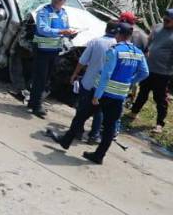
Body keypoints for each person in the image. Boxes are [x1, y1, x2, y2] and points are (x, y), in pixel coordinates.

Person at [51, 23, 148, 164]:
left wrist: (97, 95)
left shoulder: (115, 50)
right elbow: (145, 72)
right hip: (119, 96)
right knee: (110, 127)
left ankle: (66, 141)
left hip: (103, 93)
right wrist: (130, 82)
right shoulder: (138, 53)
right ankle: (99, 155)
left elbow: (106, 75)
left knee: (81, 116)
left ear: (118, 34)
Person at [28, 0, 78, 117]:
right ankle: (37, 105)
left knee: (47, 78)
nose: (57, 1)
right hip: (41, 50)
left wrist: (70, 33)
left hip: (54, 51)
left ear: (64, 1)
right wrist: (61, 32)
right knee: (40, 78)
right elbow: (43, 29)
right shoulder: (44, 11)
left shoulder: (63, 13)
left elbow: (65, 28)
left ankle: (33, 102)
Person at [68, 22, 117, 144]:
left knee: (82, 107)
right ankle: (94, 135)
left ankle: (78, 131)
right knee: (98, 110)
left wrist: (74, 74)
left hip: (89, 82)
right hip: (104, 85)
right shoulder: (117, 46)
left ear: (106, 29)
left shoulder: (96, 41)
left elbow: (83, 60)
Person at [127, 9, 173, 133]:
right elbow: (150, 40)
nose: (165, 21)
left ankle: (159, 124)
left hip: (163, 72)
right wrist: (147, 50)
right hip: (148, 68)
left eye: (168, 20)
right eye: (165, 18)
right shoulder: (158, 27)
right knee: (143, 91)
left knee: (160, 98)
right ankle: (134, 112)